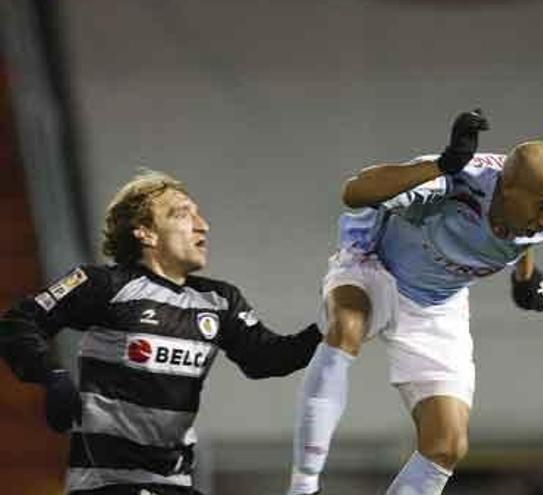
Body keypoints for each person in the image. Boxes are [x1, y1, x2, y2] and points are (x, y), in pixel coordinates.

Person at [286, 109, 543, 495]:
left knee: (446, 446)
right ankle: (303, 486)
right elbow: (354, 192)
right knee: (346, 328)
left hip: (439, 303)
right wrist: (440, 165)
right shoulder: (458, 180)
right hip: (375, 264)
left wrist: (525, 279)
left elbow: (523, 242)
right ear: (506, 189)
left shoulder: (538, 219)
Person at [0, 170, 322, 494]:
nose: (202, 225)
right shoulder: (105, 285)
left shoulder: (219, 301)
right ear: (146, 233)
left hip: (176, 484)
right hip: (109, 484)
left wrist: (329, 327)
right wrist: (51, 375)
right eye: (183, 214)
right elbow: (18, 322)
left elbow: (266, 358)